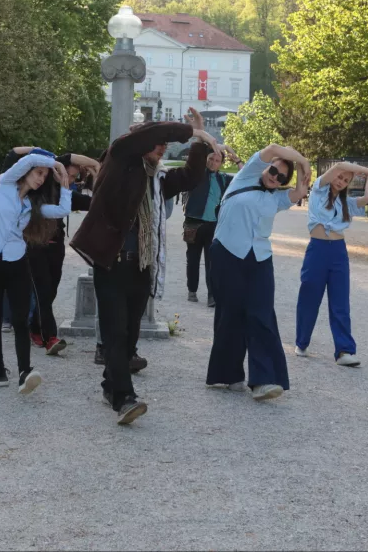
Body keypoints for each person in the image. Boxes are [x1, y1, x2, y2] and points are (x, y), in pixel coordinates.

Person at [71, 109, 217, 424]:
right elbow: (143, 137)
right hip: (111, 261)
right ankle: (125, 398)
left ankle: (112, 385)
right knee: (115, 330)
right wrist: (190, 132)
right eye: (158, 143)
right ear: (143, 141)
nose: (162, 148)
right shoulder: (120, 157)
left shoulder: (157, 179)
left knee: (130, 331)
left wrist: (200, 140)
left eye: (165, 145)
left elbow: (191, 176)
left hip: (141, 265)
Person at [205, 144, 310, 401]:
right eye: (274, 170)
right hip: (226, 253)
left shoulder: (277, 198)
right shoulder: (247, 175)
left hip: (260, 258)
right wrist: (302, 159)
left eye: (282, 177)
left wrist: (300, 170)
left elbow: (300, 191)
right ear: (267, 166)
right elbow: (272, 148)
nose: (275, 177)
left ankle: (265, 380)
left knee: (262, 314)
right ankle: (228, 374)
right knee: (230, 314)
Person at [0, 152, 72, 393]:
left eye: (44, 176)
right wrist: (56, 163)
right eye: (38, 173)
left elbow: (62, 210)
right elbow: (28, 159)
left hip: (17, 263)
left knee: (20, 320)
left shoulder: (32, 205)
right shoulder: (5, 184)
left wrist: (65, 186)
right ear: (26, 173)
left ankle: (24, 372)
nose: (41, 179)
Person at [294, 161, 368, 367]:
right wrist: (365, 169)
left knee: (340, 302)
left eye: (346, 180)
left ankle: (344, 351)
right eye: (340, 177)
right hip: (317, 249)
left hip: (339, 252)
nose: (341, 181)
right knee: (309, 297)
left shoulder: (346, 203)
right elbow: (339, 165)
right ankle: (302, 342)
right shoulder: (318, 191)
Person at [26, 151, 99, 356]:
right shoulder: (40, 186)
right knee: (42, 293)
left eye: (76, 178)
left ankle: (34, 328)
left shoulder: (67, 194)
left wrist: (97, 175)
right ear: (58, 171)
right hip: (34, 247)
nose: (74, 181)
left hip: (56, 248)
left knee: (50, 292)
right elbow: (69, 157)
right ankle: (51, 338)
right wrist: (95, 163)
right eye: (72, 176)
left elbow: (95, 204)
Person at [183, 145, 243, 307]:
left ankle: (212, 296)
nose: (213, 163)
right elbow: (192, 160)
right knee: (193, 259)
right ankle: (192, 290)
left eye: (217, 160)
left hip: (214, 225)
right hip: (193, 223)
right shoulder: (196, 174)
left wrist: (235, 157)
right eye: (211, 159)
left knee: (212, 261)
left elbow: (244, 176)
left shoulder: (223, 179)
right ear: (206, 159)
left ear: (221, 163)